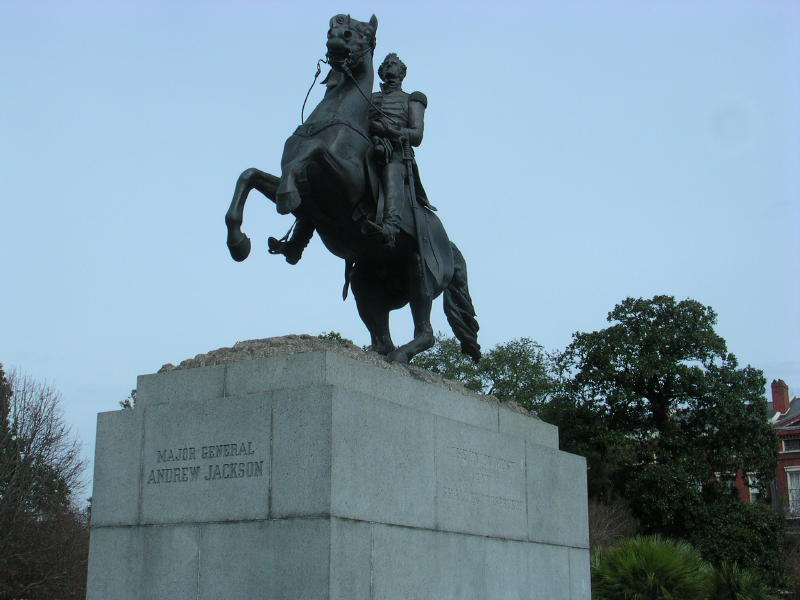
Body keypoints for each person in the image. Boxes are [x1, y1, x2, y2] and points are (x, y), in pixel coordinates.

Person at [268, 52, 432, 262]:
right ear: (380, 71)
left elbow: (416, 135)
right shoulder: (369, 98)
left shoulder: (413, 98)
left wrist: (389, 131)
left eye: (395, 64)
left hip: (394, 151)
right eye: (387, 63)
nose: (390, 66)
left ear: (402, 72)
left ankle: (390, 226)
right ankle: (297, 243)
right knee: (320, 179)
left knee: (392, 171)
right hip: (368, 148)